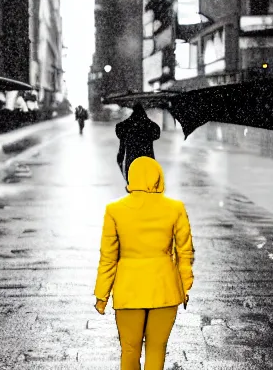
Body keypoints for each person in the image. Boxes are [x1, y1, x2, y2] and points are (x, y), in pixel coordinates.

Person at [93, 156, 194, 370]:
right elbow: (184, 252)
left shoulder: (115, 210)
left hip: (129, 290)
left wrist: (102, 294)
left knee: (130, 349)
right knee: (157, 349)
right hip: (165, 289)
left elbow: (108, 257)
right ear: (158, 177)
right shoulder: (175, 208)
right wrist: (185, 286)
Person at [115, 103, 160, 182]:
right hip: (148, 161)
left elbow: (121, 151)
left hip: (132, 162)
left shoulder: (125, 126)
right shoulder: (150, 126)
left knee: (134, 185)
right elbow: (156, 135)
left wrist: (121, 166)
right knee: (147, 186)